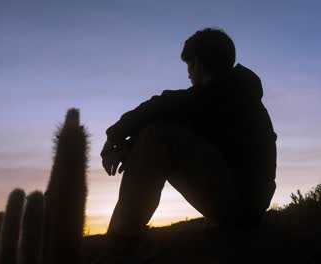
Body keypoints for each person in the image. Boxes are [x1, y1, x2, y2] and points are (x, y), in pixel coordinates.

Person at [100, 27, 277, 253]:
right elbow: (176, 115)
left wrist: (114, 137)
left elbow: (164, 105)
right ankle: (121, 238)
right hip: (246, 203)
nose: (188, 75)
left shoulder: (224, 95)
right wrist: (132, 146)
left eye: (189, 66)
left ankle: (121, 242)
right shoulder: (229, 97)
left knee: (159, 136)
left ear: (198, 64)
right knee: (158, 134)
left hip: (241, 207)